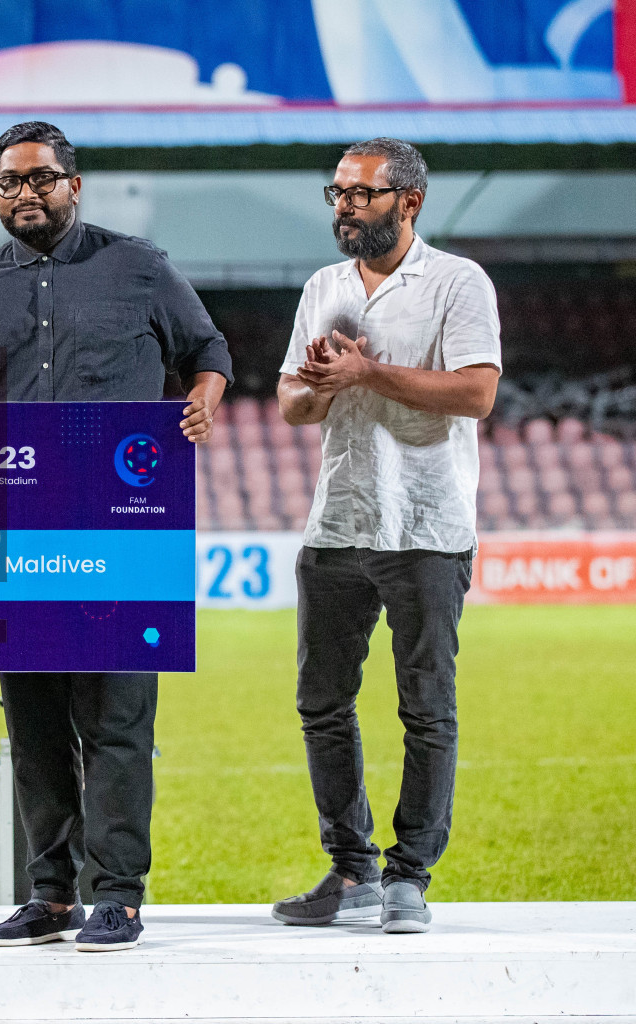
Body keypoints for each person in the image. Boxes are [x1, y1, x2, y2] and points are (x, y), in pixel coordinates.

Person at [0, 122, 232, 952]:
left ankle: (116, 893)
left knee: (119, 717)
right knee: (35, 722)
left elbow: (207, 349)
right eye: (11, 182)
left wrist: (203, 398)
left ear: (74, 184)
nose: (27, 193)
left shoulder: (139, 267)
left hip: (122, 530)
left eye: (42, 179)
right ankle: (49, 894)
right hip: (9, 537)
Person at [271, 138, 500, 934]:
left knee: (425, 707)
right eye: (336, 192)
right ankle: (350, 872)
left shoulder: (457, 281)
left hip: (427, 526)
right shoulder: (323, 287)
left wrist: (368, 373)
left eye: (361, 195)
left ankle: (410, 879)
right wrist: (320, 382)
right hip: (337, 520)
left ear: (409, 202)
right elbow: (293, 408)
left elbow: (475, 393)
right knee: (322, 703)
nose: (343, 206)